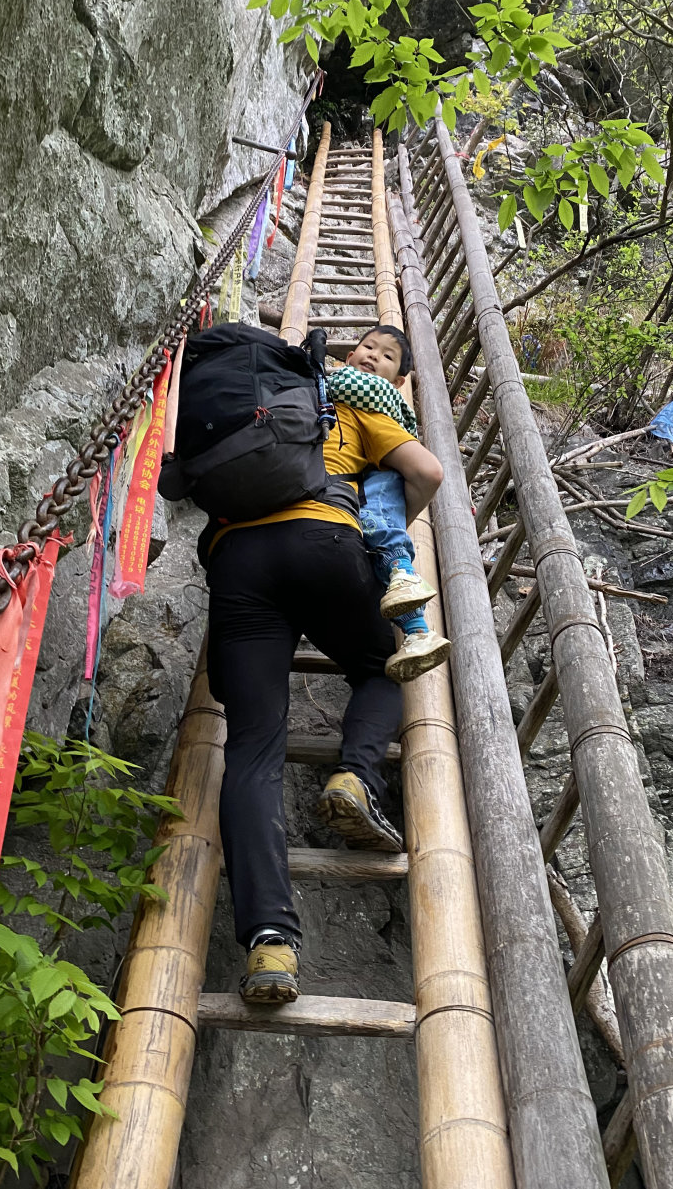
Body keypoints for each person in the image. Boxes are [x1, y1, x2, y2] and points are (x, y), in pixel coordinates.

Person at [201, 343, 444, 1005]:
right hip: (326, 542)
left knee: (252, 747)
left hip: (239, 558)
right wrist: (388, 535)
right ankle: (355, 774)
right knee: (381, 667)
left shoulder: (287, 400)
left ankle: (269, 940)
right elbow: (426, 470)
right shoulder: (364, 408)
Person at [327, 325, 452, 683]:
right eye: (367, 347)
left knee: (379, 517)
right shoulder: (350, 390)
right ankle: (417, 632)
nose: (373, 356)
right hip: (366, 484)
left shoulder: (368, 399)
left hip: (375, 477)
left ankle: (401, 571)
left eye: (386, 356)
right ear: (349, 356)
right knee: (383, 537)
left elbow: (428, 472)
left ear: (399, 380)